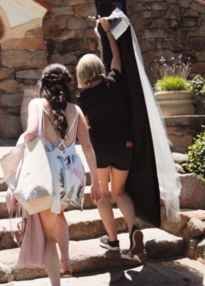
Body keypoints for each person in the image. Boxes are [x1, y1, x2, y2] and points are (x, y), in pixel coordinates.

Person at [23, 63, 102, 286]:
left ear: (43, 83)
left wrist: (23, 144)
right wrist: (96, 182)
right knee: (59, 214)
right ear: (67, 84)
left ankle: (56, 282)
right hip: (74, 176)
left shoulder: (37, 104)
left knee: (48, 237)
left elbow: (30, 133)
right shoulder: (75, 110)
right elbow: (87, 147)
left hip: (49, 175)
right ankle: (66, 258)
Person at [76, 17, 144, 255]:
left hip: (100, 149)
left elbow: (86, 126)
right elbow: (116, 56)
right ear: (99, 69)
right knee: (119, 191)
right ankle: (133, 228)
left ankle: (113, 241)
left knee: (103, 193)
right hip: (125, 145)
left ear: (82, 73)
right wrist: (107, 32)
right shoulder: (114, 82)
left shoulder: (82, 99)